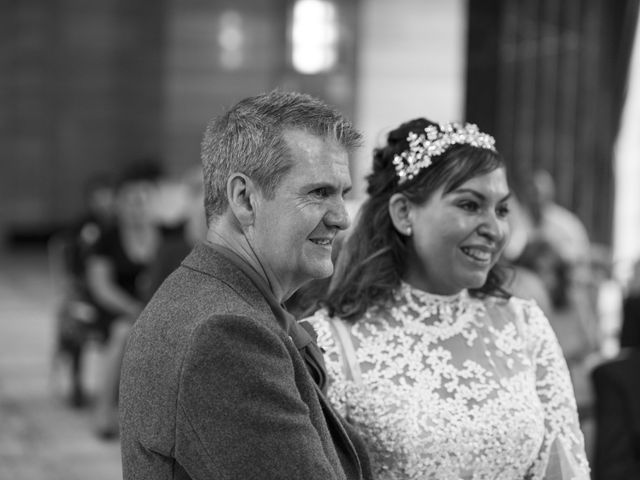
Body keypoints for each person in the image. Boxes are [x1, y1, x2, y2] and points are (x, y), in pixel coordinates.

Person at [303, 118, 590, 479]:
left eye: (501, 209)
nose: (494, 229)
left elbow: (566, 467)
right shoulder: (332, 342)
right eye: (470, 205)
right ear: (404, 213)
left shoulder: (524, 325)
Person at [119, 90, 372, 480]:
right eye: (319, 193)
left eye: (343, 194)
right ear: (245, 200)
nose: (342, 218)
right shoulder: (224, 334)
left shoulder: (214, 300)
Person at [86, 159, 164, 438]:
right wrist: (133, 308)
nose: (138, 206)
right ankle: (104, 409)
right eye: (131, 200)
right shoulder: (107, 239)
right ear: (118, 204)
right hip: (117, 310)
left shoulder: (167, 237)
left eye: (144, 199)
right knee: (123, 333)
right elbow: (101, 286)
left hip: (157, 309)